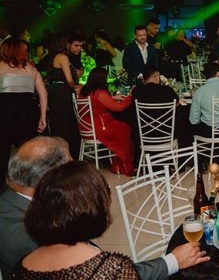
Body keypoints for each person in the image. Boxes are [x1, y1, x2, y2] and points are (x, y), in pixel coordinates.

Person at [0, 137, 207, 279]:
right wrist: (172, 261)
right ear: (53, 178)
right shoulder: (24, 235)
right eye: (72, 165)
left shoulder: (14, 204)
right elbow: (106, 273)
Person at [0, 38, 47, 187]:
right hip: (27, 112)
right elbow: (43, 93)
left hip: (5, 111)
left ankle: (1, 186)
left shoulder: (0, 66)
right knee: (26, 151)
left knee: (2, 150)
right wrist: (43, 117)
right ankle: (25, 185)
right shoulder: (31, 69)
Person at [80, 67, 135, 176]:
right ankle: (121, 165)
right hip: (99, 127)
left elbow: (96, 101)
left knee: (121, 127)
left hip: (86, 127)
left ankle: (118, 164)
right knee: (126, 128)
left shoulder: (84, 91)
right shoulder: (100, 92)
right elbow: (118, 108)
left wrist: (112, 97)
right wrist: (130, 97)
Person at [42, 33, 81, 159]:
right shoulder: (63, 57)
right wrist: (77, 88)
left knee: (59, 123)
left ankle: (59, 155)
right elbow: (69, 80)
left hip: (56, 92)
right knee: (65, 124)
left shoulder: (55, 57)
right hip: (62, 92)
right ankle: (67, 156)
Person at [189, 62, 219, 139]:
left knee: (189, 126)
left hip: (210, 132)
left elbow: (194, 120)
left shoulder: (199, 92)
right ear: (218, 73)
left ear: (204, 76)